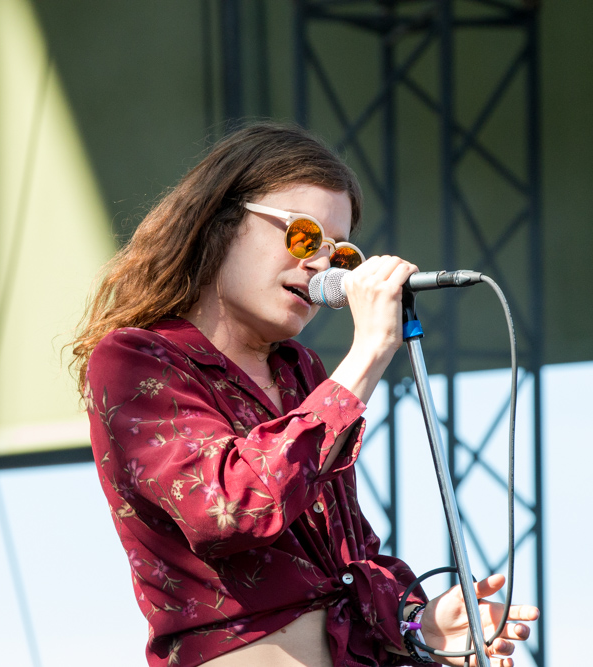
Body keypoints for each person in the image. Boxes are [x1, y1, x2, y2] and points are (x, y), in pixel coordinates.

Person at [72, 122, 538, 667]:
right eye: (303, 237)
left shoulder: (302, 374)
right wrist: (368, 354)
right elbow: (230, 510)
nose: (321, 263)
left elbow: (345, 559)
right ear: (221, 223)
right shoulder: (138, 359)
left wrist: (417, 620)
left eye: (339, 253)